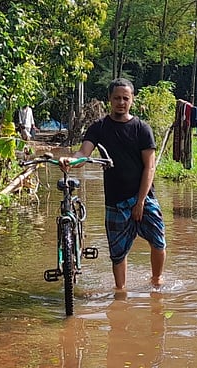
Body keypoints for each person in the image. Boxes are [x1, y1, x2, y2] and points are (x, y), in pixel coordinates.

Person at [71, 78, 166, 289]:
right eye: (117, 98)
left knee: (158, 242)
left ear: (132, 100)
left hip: (144, 196)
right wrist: (71, 161)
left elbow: (149, 168)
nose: (121, 102)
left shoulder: (142, 129)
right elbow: (83, 154)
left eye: (125, 98)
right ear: (109, 100)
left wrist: (140, 201)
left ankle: (157, 280)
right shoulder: (99, 127)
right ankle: (120, 291)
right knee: (117, 253)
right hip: (115, 200)